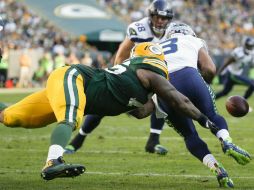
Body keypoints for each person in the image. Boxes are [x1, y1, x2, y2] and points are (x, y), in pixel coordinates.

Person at [0, 42, 218, 181]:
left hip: (72, 86)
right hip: (74, 77)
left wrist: (162, 107)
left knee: (11, 117)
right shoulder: (147, 73)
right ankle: (53, 162)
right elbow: (179, 99)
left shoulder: (141, 84)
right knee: (70, 118)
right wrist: (204, 119)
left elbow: (139, 112)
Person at [65, 0, 175, 155]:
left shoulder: (172, 32)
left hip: (153, 74)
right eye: (157, 17)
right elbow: (121, 54)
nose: (160, 21)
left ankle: (153, 141)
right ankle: (77, 141)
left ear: (169, 19)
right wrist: (120, 78)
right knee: (104, 102)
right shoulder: (140, 28)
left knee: (162, 98)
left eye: (164, 18)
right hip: (130, 71)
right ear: (150, 15)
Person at [153, 22, 251, 188]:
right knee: (212, 115)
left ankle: (216, 168)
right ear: (189, 32)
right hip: (189, 77)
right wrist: (205, 85)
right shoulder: (194, 40)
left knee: (189, 135)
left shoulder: (155, 46)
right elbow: (209, 68)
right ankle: (225, 140)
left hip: (162, 86)